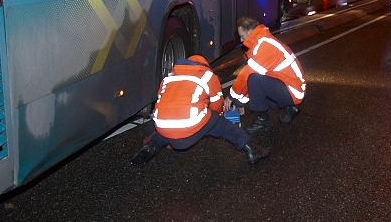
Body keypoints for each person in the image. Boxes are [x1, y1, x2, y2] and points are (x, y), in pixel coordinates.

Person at [130, 55, 269, 168]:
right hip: (190, 125)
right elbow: (217, 104)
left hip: (162, 124)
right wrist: (216, 116)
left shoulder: (169, 78)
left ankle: (149, 148)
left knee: (169, 127)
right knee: (222, 126)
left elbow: (164, 101)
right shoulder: (207, 76)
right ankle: (252, 151)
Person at [224, 17, 306, 134]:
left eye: (242, 36)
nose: (241, 40)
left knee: (254, 79)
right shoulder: (263, 40)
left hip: (293, 90)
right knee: (257, 80)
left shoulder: (264, 46)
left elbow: (248, 75)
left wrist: (231, 97)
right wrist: (240, 101)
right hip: (290, 86)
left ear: (250, 32)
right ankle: (289, 108)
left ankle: (263, 122)